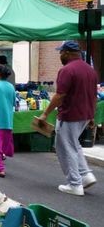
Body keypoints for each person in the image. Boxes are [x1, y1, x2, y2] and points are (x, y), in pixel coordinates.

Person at [37, 41, 98, 196]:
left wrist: (45, 113)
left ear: (68, 53)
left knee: (66, 146)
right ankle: (85, 175)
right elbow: (93, 96)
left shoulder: (67, 70)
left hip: (70, 114)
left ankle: (75, 183)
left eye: (61, 52)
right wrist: (92, 116)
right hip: (84, 114)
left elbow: (60, 95)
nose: (60, 55)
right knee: (72, 143)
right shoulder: (91, 71)